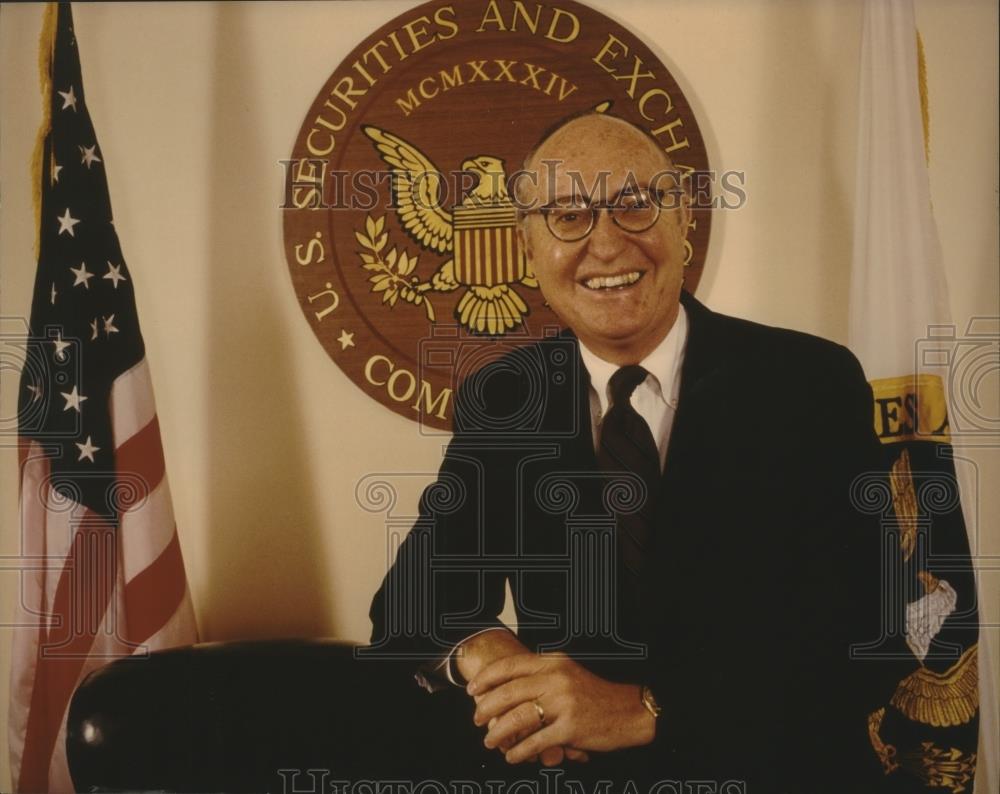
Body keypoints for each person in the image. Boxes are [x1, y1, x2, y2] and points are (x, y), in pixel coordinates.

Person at [369, 112, 910, 791]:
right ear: (527, 246)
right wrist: (487, 655)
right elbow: (410, 602)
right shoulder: (506, 399)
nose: (605, 243)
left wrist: (646, 709)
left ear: (682, 217)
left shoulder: (808, 383)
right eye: (567, 216)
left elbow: (873, 636)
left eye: (633, 204)